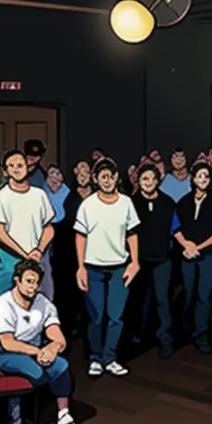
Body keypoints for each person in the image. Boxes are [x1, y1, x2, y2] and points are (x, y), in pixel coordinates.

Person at [0, 260, 77, 424]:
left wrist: (52, 349)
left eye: (37, 283)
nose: (33, 287)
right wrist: (39, 352)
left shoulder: (44, 304)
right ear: (17, 280)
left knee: (61, 365)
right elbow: (7, 342)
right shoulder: (3, 304)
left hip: (37, 351)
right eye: (29, 281)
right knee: (35, 373)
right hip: (9, 353)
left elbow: (59, 338)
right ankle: (16, 421)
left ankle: (63, 412)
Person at [74, 159, 140, 377]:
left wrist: (134, 262)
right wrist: (80, 267)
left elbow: (132, 233)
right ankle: (95, 357)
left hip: (119, 267)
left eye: (111, 177)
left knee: (116, 316)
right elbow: (80, 236)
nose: (107, 181)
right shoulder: (88, 205)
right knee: (95, 315)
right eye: (103, 177)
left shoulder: (126, 203)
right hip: (93, 267)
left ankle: (109, 357)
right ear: (96, 179)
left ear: (116, 179)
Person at [174, 163, 212, 354]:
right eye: (199, 176)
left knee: (204, 296)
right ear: (193, 179)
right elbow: (176, 229)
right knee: (188, 294)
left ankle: (201, 334)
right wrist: (187, 246)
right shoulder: (183, 202)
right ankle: (185, 328)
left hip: (207, 255)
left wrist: (199, 247)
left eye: (206, 176)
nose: (203, 179)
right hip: (187, 254)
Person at [0, 150, 55, 298]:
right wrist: (25, 255)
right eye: (11, 166)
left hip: (39, 257)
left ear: (28, 167)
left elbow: (49, 228)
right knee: (7, 305)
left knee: (43, 302)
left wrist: (38, 251)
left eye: (20, 165)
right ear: (5, 170)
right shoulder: (0, 197)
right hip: (10, 259)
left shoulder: (39, 195)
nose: (16, 169)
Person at [131, 163, 177, 358]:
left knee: (162, 300)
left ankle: (165, 339)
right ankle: (137, 336)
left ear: (158, 180)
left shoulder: (168, 203)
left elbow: (175, 230)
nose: (148, 182)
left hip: (162, 260)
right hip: (139, 260)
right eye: (144, 179)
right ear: (139, 181)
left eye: (152, 178)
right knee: (140, 300)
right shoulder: (131, 202)